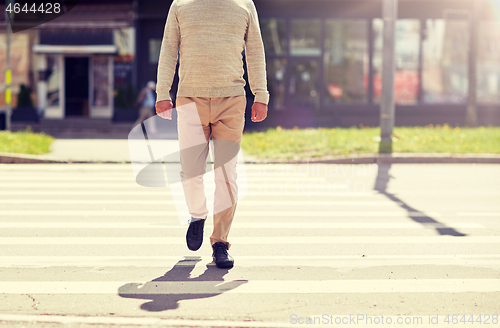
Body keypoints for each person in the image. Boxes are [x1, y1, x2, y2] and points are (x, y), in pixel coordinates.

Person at [155, 0, 269, 268]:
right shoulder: (180, 4)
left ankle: (220, 242)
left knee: (227, 174)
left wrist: (260, 94)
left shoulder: (244, 4)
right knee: (191, 171)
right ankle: (197, 216)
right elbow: (169, 50)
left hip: (231, 100)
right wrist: (163, 92)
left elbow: (255, 51)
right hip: (189, 100)